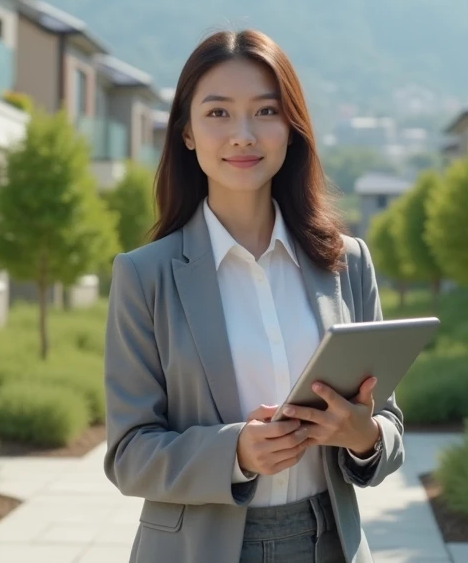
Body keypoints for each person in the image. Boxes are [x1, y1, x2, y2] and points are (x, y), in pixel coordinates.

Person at [103, 29, 405, 563]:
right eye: (218, 113)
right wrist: (235, 451)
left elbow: (389, 425)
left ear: (291, 128)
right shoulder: (144, 276)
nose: (243, 134)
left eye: (266, 112)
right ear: (187, 133)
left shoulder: (347, 262)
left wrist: (363, 435)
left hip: (330, 543)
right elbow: (128, 454)